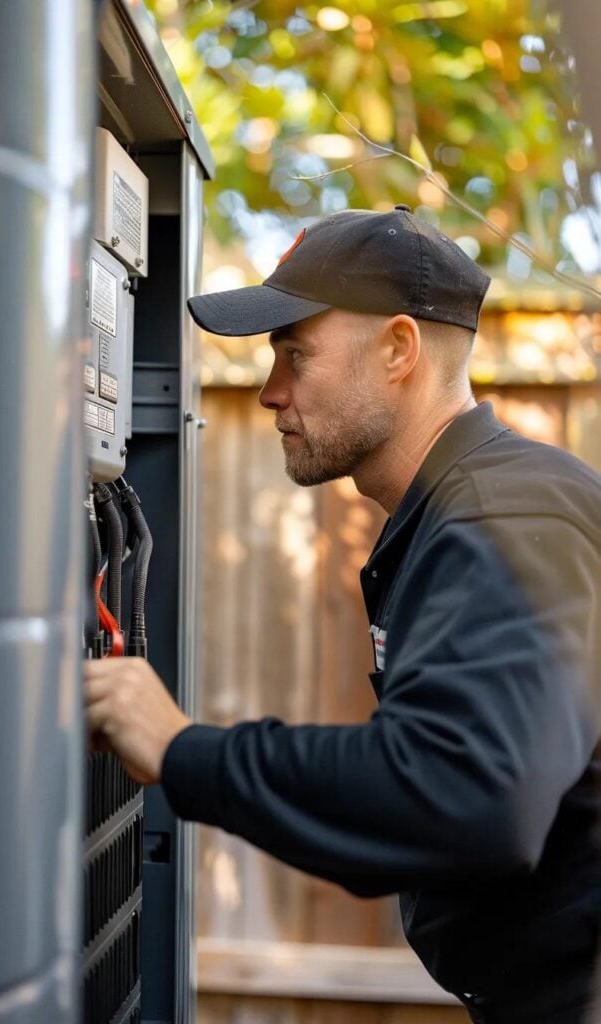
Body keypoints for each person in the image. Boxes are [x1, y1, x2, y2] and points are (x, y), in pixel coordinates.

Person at [84, 206, 601, 1023]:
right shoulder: (466, 510)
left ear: (398, 349)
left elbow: (468, 795)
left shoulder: (502, 518)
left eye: (296, 354)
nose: (269, 392)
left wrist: (185, 752)